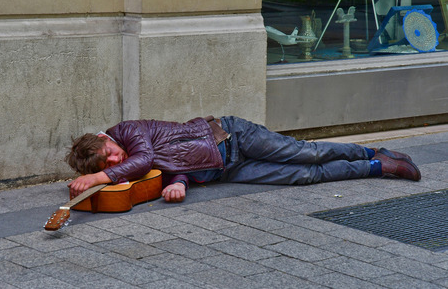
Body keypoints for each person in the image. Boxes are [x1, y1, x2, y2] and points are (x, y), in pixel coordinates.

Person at [66, 116, 421, 203]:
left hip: (234, 136)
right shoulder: (125, 160)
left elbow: (144, 159)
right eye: (108, 166)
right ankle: (379, 167)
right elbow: (172, 164)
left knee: (306, 153)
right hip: (227, 168)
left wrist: (100, 180)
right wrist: (177, 184)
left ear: (103, 138)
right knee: (303, 177)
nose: (116, 160)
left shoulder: (128, 131)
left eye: (109, 155)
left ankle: (372, 152)